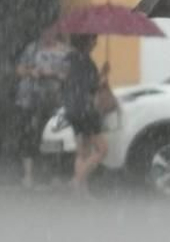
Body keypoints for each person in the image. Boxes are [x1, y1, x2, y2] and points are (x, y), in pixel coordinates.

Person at [13, 27, 71, 189]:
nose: (48, 36)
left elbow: (69, 75)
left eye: (52, 33)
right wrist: (33, 71)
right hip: (29, 98)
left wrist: (53, 73)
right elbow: (19, 70)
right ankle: (28, 175)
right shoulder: (32, 48)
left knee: (54, 135)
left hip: (54, 100)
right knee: (29, 135)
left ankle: (54, 175)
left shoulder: (65, 51)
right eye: (45, 33)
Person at [62, 34, 111, 195]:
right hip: (86, 109)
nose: (96, 43)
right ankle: (76, 181)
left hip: (71, 109)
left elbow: (68, 83)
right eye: (94, 40)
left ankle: (82, 192)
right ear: (87, 42)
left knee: (83, 151)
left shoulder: (69, 59)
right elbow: (92, 87)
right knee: (102, 149)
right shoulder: (87, 62)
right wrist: (103, 74)